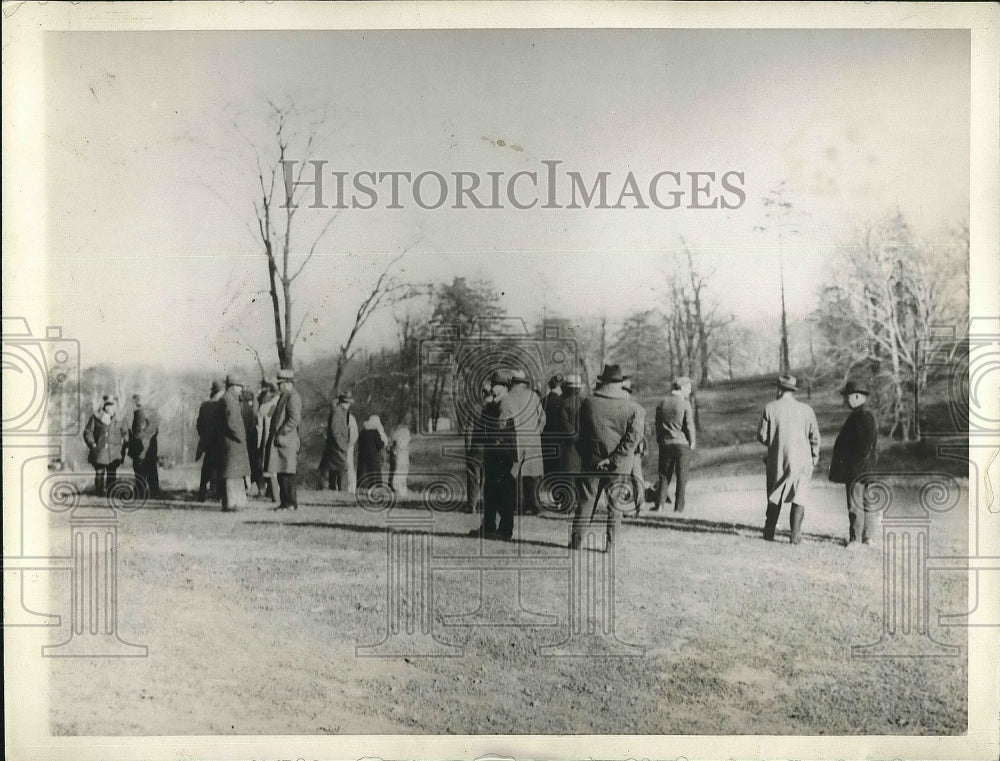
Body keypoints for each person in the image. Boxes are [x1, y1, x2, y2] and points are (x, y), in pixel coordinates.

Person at [571, 364, 645, 551]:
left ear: (602, 382)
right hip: (619, 466)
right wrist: (613, 460)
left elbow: (577, 435)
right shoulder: (635, 409)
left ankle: (576, 543)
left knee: (586, 502)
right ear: (620, 383)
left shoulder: (588, 403)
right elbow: (632, 440)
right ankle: (610, 547)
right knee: (615, 506)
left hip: (591, 463)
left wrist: (591, 456)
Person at [756, 374, 821, 544]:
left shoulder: (770, 408)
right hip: (802, 460)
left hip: (778, 458)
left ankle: (769, 531)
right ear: (793, 391)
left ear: (778, 389)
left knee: (775, 493)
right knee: (799, 495)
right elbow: (815, 437)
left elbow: (762, 436)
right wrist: (814, 456)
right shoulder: (807, 410)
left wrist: (775, 442)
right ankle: (795, 536)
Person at [829, 380, 880, 547]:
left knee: (855, 505)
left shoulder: (860, 416)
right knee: (868, 504)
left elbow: (864, 445)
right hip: (868, 469)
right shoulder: (866, 415)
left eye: (847, 396)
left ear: (857, 396)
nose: (845, 400)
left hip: (857, 470)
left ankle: (856, 539)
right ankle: (868, 538)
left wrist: (853, 464)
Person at [469, 369, 517, 541]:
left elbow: (500, 432)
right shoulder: (496, 404)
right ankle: (488, 526)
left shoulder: (504, 405)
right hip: (495, 455)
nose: (493, 387)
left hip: (501, 455)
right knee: (491, 492)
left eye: (496, 385)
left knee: (503, 494)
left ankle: (504, 531)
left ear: (504, 387)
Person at [501, 369, 546, 515]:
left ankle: (518, 506)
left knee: (515, 474)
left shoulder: (506, 398)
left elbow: (501, 423)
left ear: (511, 382)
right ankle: (535, 505)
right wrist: (537, 431)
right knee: (533, 474)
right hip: (533, 440)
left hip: (515, 441)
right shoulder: (533, 396)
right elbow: (542, 417)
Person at [653, 376, 696, 513]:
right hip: (682, 445)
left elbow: (658, 424)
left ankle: (659, 504)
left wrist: (660, 439)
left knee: (664, 475)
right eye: (688, 388)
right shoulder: (685, 404)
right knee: (682, 477)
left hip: (665, 443)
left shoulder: (662, 402)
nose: (689, 391)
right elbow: (689, 425)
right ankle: (678, 508)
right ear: (682, 388)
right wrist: (692, 440)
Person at [264, 368, 302, 511]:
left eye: (280, 383)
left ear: (287, 383)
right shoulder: (284, 396)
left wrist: (281, 433)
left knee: (287, 473)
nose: (278, 386)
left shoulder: (293, 397)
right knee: (282, 472)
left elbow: (294, 419)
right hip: (282, 441)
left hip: (286, 441)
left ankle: (290, 503)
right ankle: (286, 502)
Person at [218, 375, 251, 511]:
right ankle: (232, 503)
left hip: (230, 443)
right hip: (233, 443)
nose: (240, 390)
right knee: (232, 475)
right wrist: (241, 437)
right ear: (233, 386)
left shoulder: (228, 399)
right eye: (239, 387)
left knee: (233, 474)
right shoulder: (229, 400)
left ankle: (234, 503)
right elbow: (233, 422)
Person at [83, 397, 126, 497]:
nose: (110, 408)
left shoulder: (119, 418)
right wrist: (92, 444)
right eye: (108, 405)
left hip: (114, 451)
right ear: (104, 406)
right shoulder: (95, 417)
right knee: (99, 472)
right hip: (100, 450)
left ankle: (111, 493)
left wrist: (123, 442)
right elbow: (87, 432)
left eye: (112, 405)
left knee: (112, 472)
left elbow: (125, 432)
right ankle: (99, 493)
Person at [554, 374, 584, 514]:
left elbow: (563, 424)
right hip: (583, 445)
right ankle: (579, 503)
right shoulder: (585, 402)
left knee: (568, 475)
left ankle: (568, 504)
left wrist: (573, 435)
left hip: (568, 444)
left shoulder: (564, 403)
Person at [465, 381, 493, 513]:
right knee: (488, 477)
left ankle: (472, 504)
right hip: (491, 447)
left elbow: (468, 429)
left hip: (476, 447)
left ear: (483, 393)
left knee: (473, 476)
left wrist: (468, 448)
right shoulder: (495, 407)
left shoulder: (475, 407)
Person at [320, 391, 357, 492]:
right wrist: (342, 445)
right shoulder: (338, 412)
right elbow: (335, 430)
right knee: (341, 469)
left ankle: (337, 489)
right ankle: (341, 490)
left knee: (337, 470)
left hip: (338, 446)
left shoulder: (340, 412)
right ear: (346, 403)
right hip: (338, 447)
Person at [622, 378, 648, 515]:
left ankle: (638, 507)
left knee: (634, 479)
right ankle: (633, 508)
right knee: (633, 479)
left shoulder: (635, 408)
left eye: (626, 391)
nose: (624, 394)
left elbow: (646, 429)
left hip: (630, 450)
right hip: (629, 449)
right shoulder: (637, 407)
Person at [195, 381, 224, 501]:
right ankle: (217, 493)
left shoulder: (204, 406)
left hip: (207, 442)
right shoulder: (221, 406)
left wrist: (204, 436)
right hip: (219, 442)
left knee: (206, 468)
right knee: (219, 468)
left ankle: (202, 492)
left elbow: (199, 425)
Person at [129, 394, 161, 499]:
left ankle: (141, 493)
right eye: (135, 398)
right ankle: (154, 492)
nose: (136, 401)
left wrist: (141, 449)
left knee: (140, 469)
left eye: (138, 398)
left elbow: (141, 432)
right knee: (151, 469)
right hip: (149, 445)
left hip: (142, 445)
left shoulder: (142, 413)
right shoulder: (153, 412)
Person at [256, 380, 281, 503]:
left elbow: (260, 428)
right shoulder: (282, 404)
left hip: (268, 440)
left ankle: (271, 492)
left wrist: (259, 444)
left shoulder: (267, 407)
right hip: (282, 440)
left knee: (269, 468)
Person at [541, 374, 564, 479]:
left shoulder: (543, 401)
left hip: (545, 441)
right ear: (560, 387)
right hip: (558, 442)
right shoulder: (562, 402)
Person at [357, 415, 388, 489]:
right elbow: (380, 444)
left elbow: (359, 444)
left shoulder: (362, 432)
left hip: (362, 456)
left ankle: (362, 488)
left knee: (363, 473)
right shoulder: (375, 432)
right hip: (373, 457)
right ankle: (375, 488)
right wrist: (384, 443)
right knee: (374, 474)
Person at [241, 387, 261, 496]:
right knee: (254, 464)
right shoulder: (252, 411)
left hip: (244, 441)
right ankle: (255, 487)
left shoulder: (241, 409)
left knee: (246, 465)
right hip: (252, 441)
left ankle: (247, 487)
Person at [388, 423, 411, 498]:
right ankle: (402, 492)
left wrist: (393, 450)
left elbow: (393, 449)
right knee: (403, 474)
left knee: (398, 473)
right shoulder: (406, 438)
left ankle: (397, 490)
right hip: (404, 457)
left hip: (399, 457)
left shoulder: (397, 438)